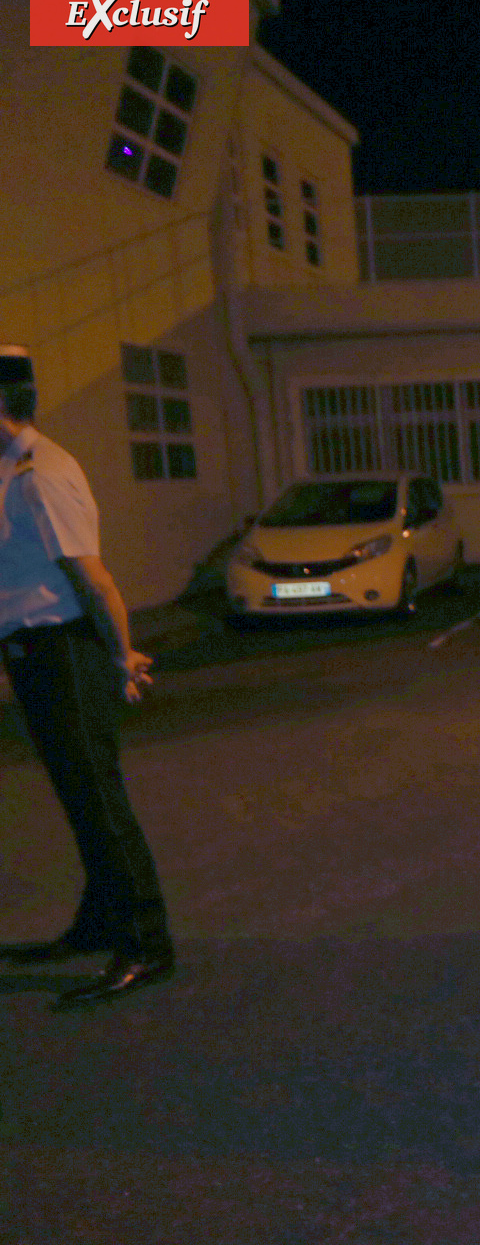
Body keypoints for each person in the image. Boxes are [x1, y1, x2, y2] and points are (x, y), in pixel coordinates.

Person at [0, 345, 176, 1009]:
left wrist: (121, 655)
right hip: (30, 651)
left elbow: (92, 577)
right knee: (80, 799)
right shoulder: (10, 469)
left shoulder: (42, 474)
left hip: (66, 651)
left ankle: (147, 942)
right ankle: (101, 922)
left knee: (100, 800)